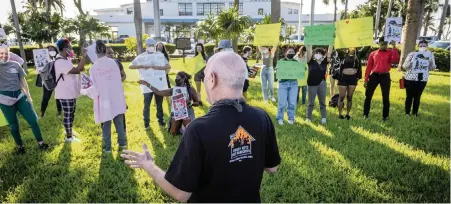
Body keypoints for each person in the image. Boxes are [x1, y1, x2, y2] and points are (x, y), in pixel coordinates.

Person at [121, 51, 281, 203]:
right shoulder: (262, 117)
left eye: (204, 76)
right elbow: (272, 168)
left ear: (212, 79)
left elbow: (181, 193)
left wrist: (148, 166)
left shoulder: (198, 129)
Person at [0, 45, 49, 154]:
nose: (4, 56)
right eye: (1, 53)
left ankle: (41, 143)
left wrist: (28, 96)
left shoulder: (16, 65)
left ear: (9, 54)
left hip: (19, 97)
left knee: (33, 120)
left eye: (6, 53)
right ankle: (20, 146)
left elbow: (23, 81)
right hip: (5, 100)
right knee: (13, 126)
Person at [81, 41, 127, 152]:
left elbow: (94, 89)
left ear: (96, 52)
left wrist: (85, 90)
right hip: (117, 97)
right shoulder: (113, 63)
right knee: (119, 122)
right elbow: (118, 80)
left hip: (104, 100)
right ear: (105, 50)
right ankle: (123, 144)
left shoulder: (94, 67)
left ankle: (108, 148)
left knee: (106, 124)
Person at [138, 71, 202, 135]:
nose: (176, 79)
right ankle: (181, 128)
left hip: (188, 112)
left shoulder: (190, 89)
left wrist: (190, 103)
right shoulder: (173, 90)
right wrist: (147, 84)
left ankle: (186, 128)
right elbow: (158, 92)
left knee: (190, 130)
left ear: (183, 79)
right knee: (173, 132)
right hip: (176, 113)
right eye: (176, 78)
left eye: (178, 78)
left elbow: (197, 103)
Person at [129, 37, 171, 129]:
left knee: (159, 104)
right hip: (147, 85)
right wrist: (142, 66)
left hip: (158, 84)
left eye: (152, 45)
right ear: (146, 46)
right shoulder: (142, 56)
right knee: (146, 105)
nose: (151, 47)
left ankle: (161, 120)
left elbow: (168, 66)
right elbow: (130, 66)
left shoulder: (159, 55)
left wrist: (159, 68)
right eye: (149, 45)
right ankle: (146, 123)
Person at [54, 38, 86, 142]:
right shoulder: (60, 62)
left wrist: (77, 62)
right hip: (65, 93)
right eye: (70, 48)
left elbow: (78, 68)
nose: (71, 50)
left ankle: (69, 130)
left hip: (70, 92)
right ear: (64, 49)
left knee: (71, 113)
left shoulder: (65, 60)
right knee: (68, 115)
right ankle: (68, 137)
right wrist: (84, 56)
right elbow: (77, 70)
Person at [363, 37, 399, 121]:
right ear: (378, 44)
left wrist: (394, 47)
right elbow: (368, 67)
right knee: (368, 95)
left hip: (385, 76)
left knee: (385, 97)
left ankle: (385, 116)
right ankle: (365, 114)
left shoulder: (390, 52)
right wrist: (366, 79)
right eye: (382, 44)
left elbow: (395, 60)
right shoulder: (373, 53)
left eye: (386, 44)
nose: (384, 46)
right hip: (374, 76)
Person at [402, 40, 436, 117]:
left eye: (424, 46)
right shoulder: (412, 54)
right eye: (421, 46)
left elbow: (433, 67)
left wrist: (430, 64)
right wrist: (411, 63)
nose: (422, 47)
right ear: (418, 46)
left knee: (418, 96)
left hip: (422, 79)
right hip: (410, 78)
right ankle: (407, 112)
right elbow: (404, 66)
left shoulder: (430, 55)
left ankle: (415, 113)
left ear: (427, 46)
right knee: (409, 96)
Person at [306, 45, 333, 124]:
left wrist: (331, 42)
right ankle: (308, 118)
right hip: (311, 83)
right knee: (311, 102)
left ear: (322, 54)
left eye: (320, 53)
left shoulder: (325, 61)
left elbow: (329, 52)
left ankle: (323, 117)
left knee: (322, 102)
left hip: (322, 83)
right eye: (316, 53)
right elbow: (308, 51)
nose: (318, 54)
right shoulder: (310, 61)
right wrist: (309, 43)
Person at [275, 47, 299, 125]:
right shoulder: (281, 62)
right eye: (289, 51)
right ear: (286, 53)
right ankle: (280, 118)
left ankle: (291, 118)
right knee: (282, 103)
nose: (291, 53)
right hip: (283, 84)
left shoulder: (296, 62)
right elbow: (277, 71)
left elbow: (299, 72)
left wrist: (302, 70)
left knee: (292, 102)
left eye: (292, 52)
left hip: (293, 84)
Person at [336, 47, 362, 120]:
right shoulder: (343, 54)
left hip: (353, 78)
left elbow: (367, 46)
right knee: (341, 96)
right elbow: (337, 46)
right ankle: (340, 114)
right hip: (343, 78)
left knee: (349, 97)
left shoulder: (358, 55)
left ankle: (347, 114)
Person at [39, 45, 62, 117]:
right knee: (45, 97)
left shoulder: (59, 59)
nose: (50, 51)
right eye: (49, 50)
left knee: (58, 97)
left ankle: (59, 113)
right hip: (47, 81)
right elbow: (40, 71)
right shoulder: (42, 60)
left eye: (52, 50)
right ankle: (42, 113)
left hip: (57, 80)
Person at [156, 41, 172, 110]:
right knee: (156, 90)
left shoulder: (165, 55)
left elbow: (168, 67)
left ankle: (168, 103)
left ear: (163, 47)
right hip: (156, 76)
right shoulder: (154, 55)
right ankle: (156, 104)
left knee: (167, 89)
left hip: (164, 75)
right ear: (156, 47)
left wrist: (165, 74)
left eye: (161, 46)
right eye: (158, 46)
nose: (160, 47)